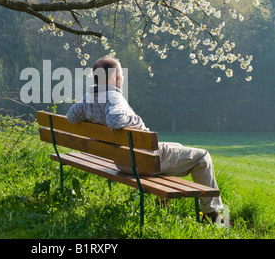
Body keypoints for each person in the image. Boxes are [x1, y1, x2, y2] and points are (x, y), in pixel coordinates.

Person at [66, 56, 223, 222]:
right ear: (113, 77)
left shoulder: (89, 98)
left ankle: (163, 205)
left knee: (177, 146)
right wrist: (137, 121)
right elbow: (115, 120)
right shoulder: (114, 97)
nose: (123, 78)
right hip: (142, 160)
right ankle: (211, 215)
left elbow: (71, 117)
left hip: (122, 161)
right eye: (121, 73)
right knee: (203, 157)